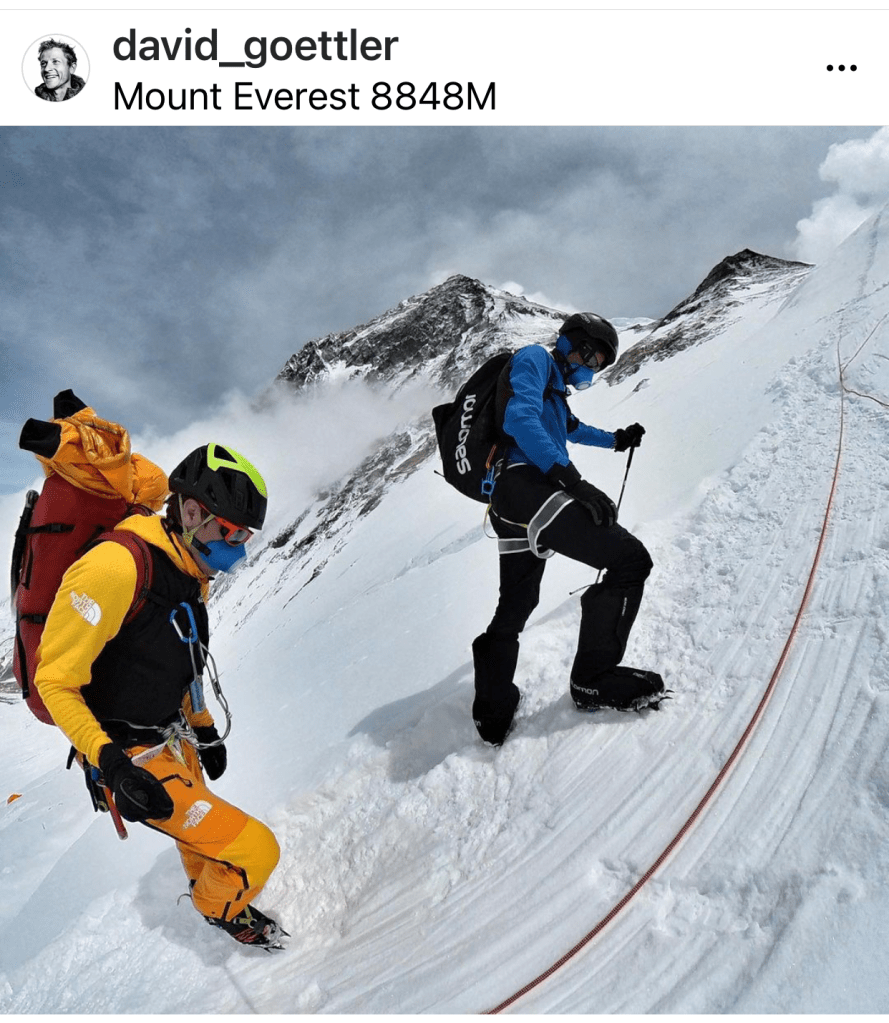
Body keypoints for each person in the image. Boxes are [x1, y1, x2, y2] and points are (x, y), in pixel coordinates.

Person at [34, 443, 284, 949]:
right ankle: (216, 908)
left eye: (245, 536)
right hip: (129, 758)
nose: (237, 550)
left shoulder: (190, 570)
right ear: (191, 512)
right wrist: (108, 763)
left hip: (175, 741)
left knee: (203, 842)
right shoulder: (115, 568)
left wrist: (203, 728)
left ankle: (211, 890)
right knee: (257, 850)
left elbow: (183, 658)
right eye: (231, 533)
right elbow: (54, 681)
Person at [472, 312, 664, 745]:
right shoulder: (535, 359)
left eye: (600, 365)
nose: (593, 369)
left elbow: (573, 430)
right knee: (630, 560)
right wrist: (573, 482)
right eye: (593, 359)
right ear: (574, 343)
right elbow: (520, 420)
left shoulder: (555, 391)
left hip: (514, 500)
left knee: (517, 603)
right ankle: (593, 680)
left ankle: (493, 713)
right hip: (525, 486)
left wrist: (616, 439)